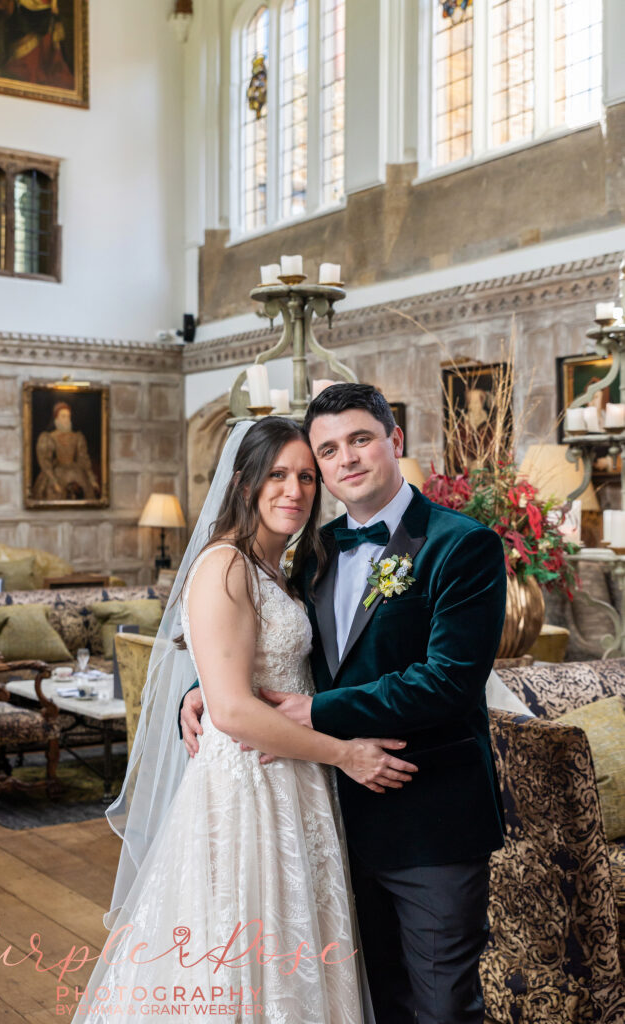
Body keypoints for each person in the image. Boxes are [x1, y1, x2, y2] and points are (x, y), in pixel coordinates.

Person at [181, 384, 508, 1024]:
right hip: (326, 818)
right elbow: (279, 653)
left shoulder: (463, 545)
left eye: (360, 439)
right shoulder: (315, 551)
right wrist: (207, 690)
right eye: (327, 450)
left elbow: (449, 681)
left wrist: (321, 715)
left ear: (395, 441)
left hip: (428, 820)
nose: (346, 459)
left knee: (444, 1006)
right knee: (364, 1001)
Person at [77, 416, 417, 1022]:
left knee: (297, 951)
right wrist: (347, 753)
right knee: (245, 950)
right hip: (250, 787)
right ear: (245, 484)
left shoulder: (281, 570)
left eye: (307, 477)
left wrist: (202, 688)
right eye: (278, 475)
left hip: (297, 780)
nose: (295, 490)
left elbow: (264, 669)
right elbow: (233, 709)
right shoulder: (225, 565)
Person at [33, 400, 100, 500]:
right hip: (56, 473)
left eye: (68, 416)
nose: (66, 419)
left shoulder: (77, 437)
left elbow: (84, 459)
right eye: (63, 416)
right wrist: (53, 481)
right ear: (56, 418)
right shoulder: (49, 437)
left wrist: (91, 479)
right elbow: (45, 462)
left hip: (77, 473)